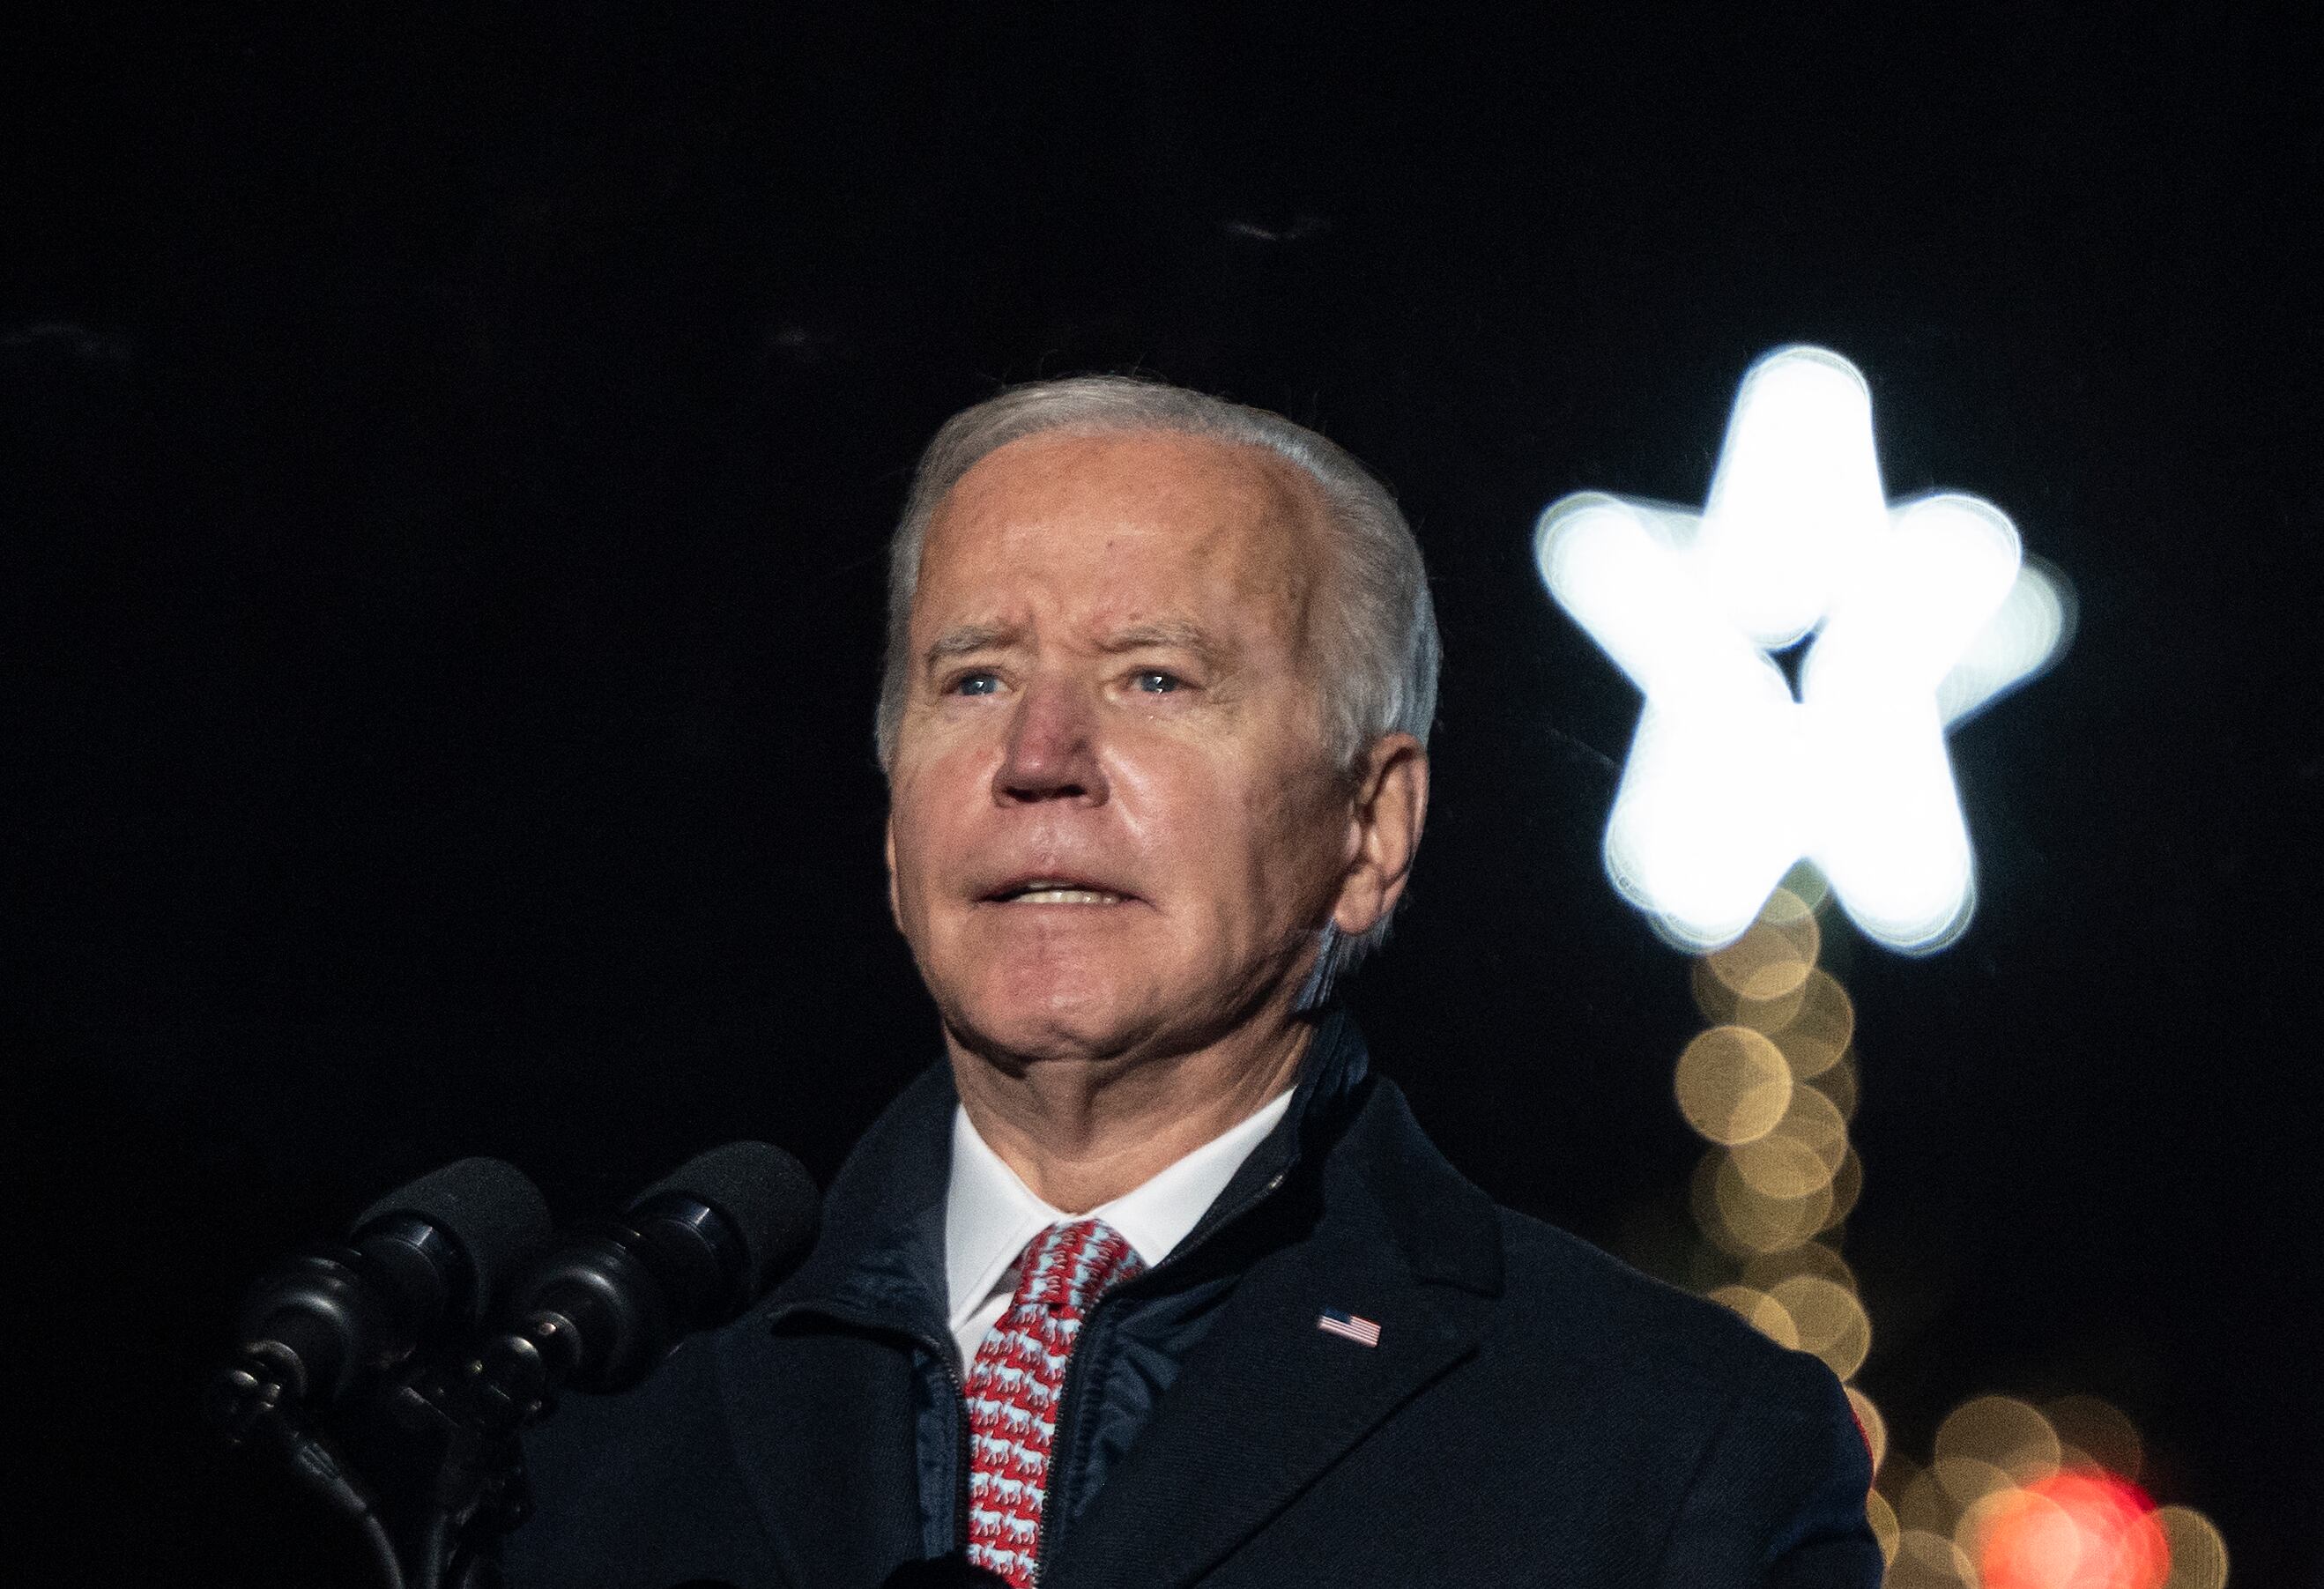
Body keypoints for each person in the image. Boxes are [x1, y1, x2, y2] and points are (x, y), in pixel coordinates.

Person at [503, 376, 1880, 1587]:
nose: (1039, 755)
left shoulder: (1666, 1443)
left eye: (1153, 679)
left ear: (1369, 828)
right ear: (889, 810)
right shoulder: (598, 1402)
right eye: (974, 680)